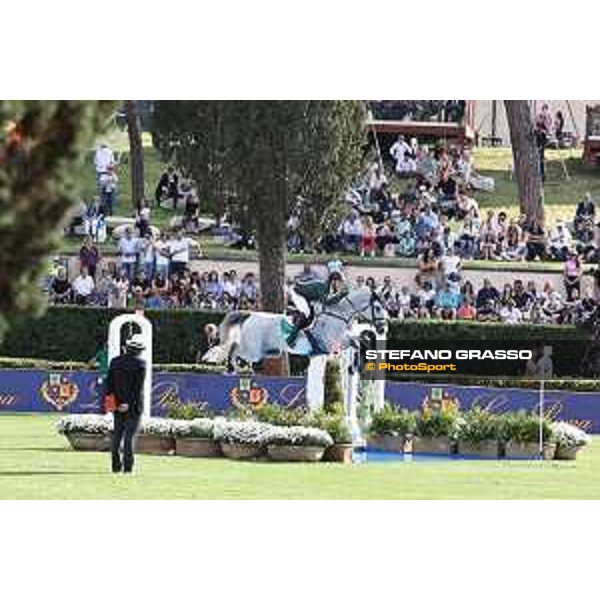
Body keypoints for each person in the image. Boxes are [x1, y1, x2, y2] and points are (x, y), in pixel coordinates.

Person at [106, 335, 147, 474]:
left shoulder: (115, 361)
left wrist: (114, 404)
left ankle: (115, 466)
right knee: (129, 436)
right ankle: (128, 467)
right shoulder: (141, 363)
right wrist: (128, 403)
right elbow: (137, 388)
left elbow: (109, 385)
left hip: (117, 404)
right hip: (134, 406)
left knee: (117, 435)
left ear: (126, 348)